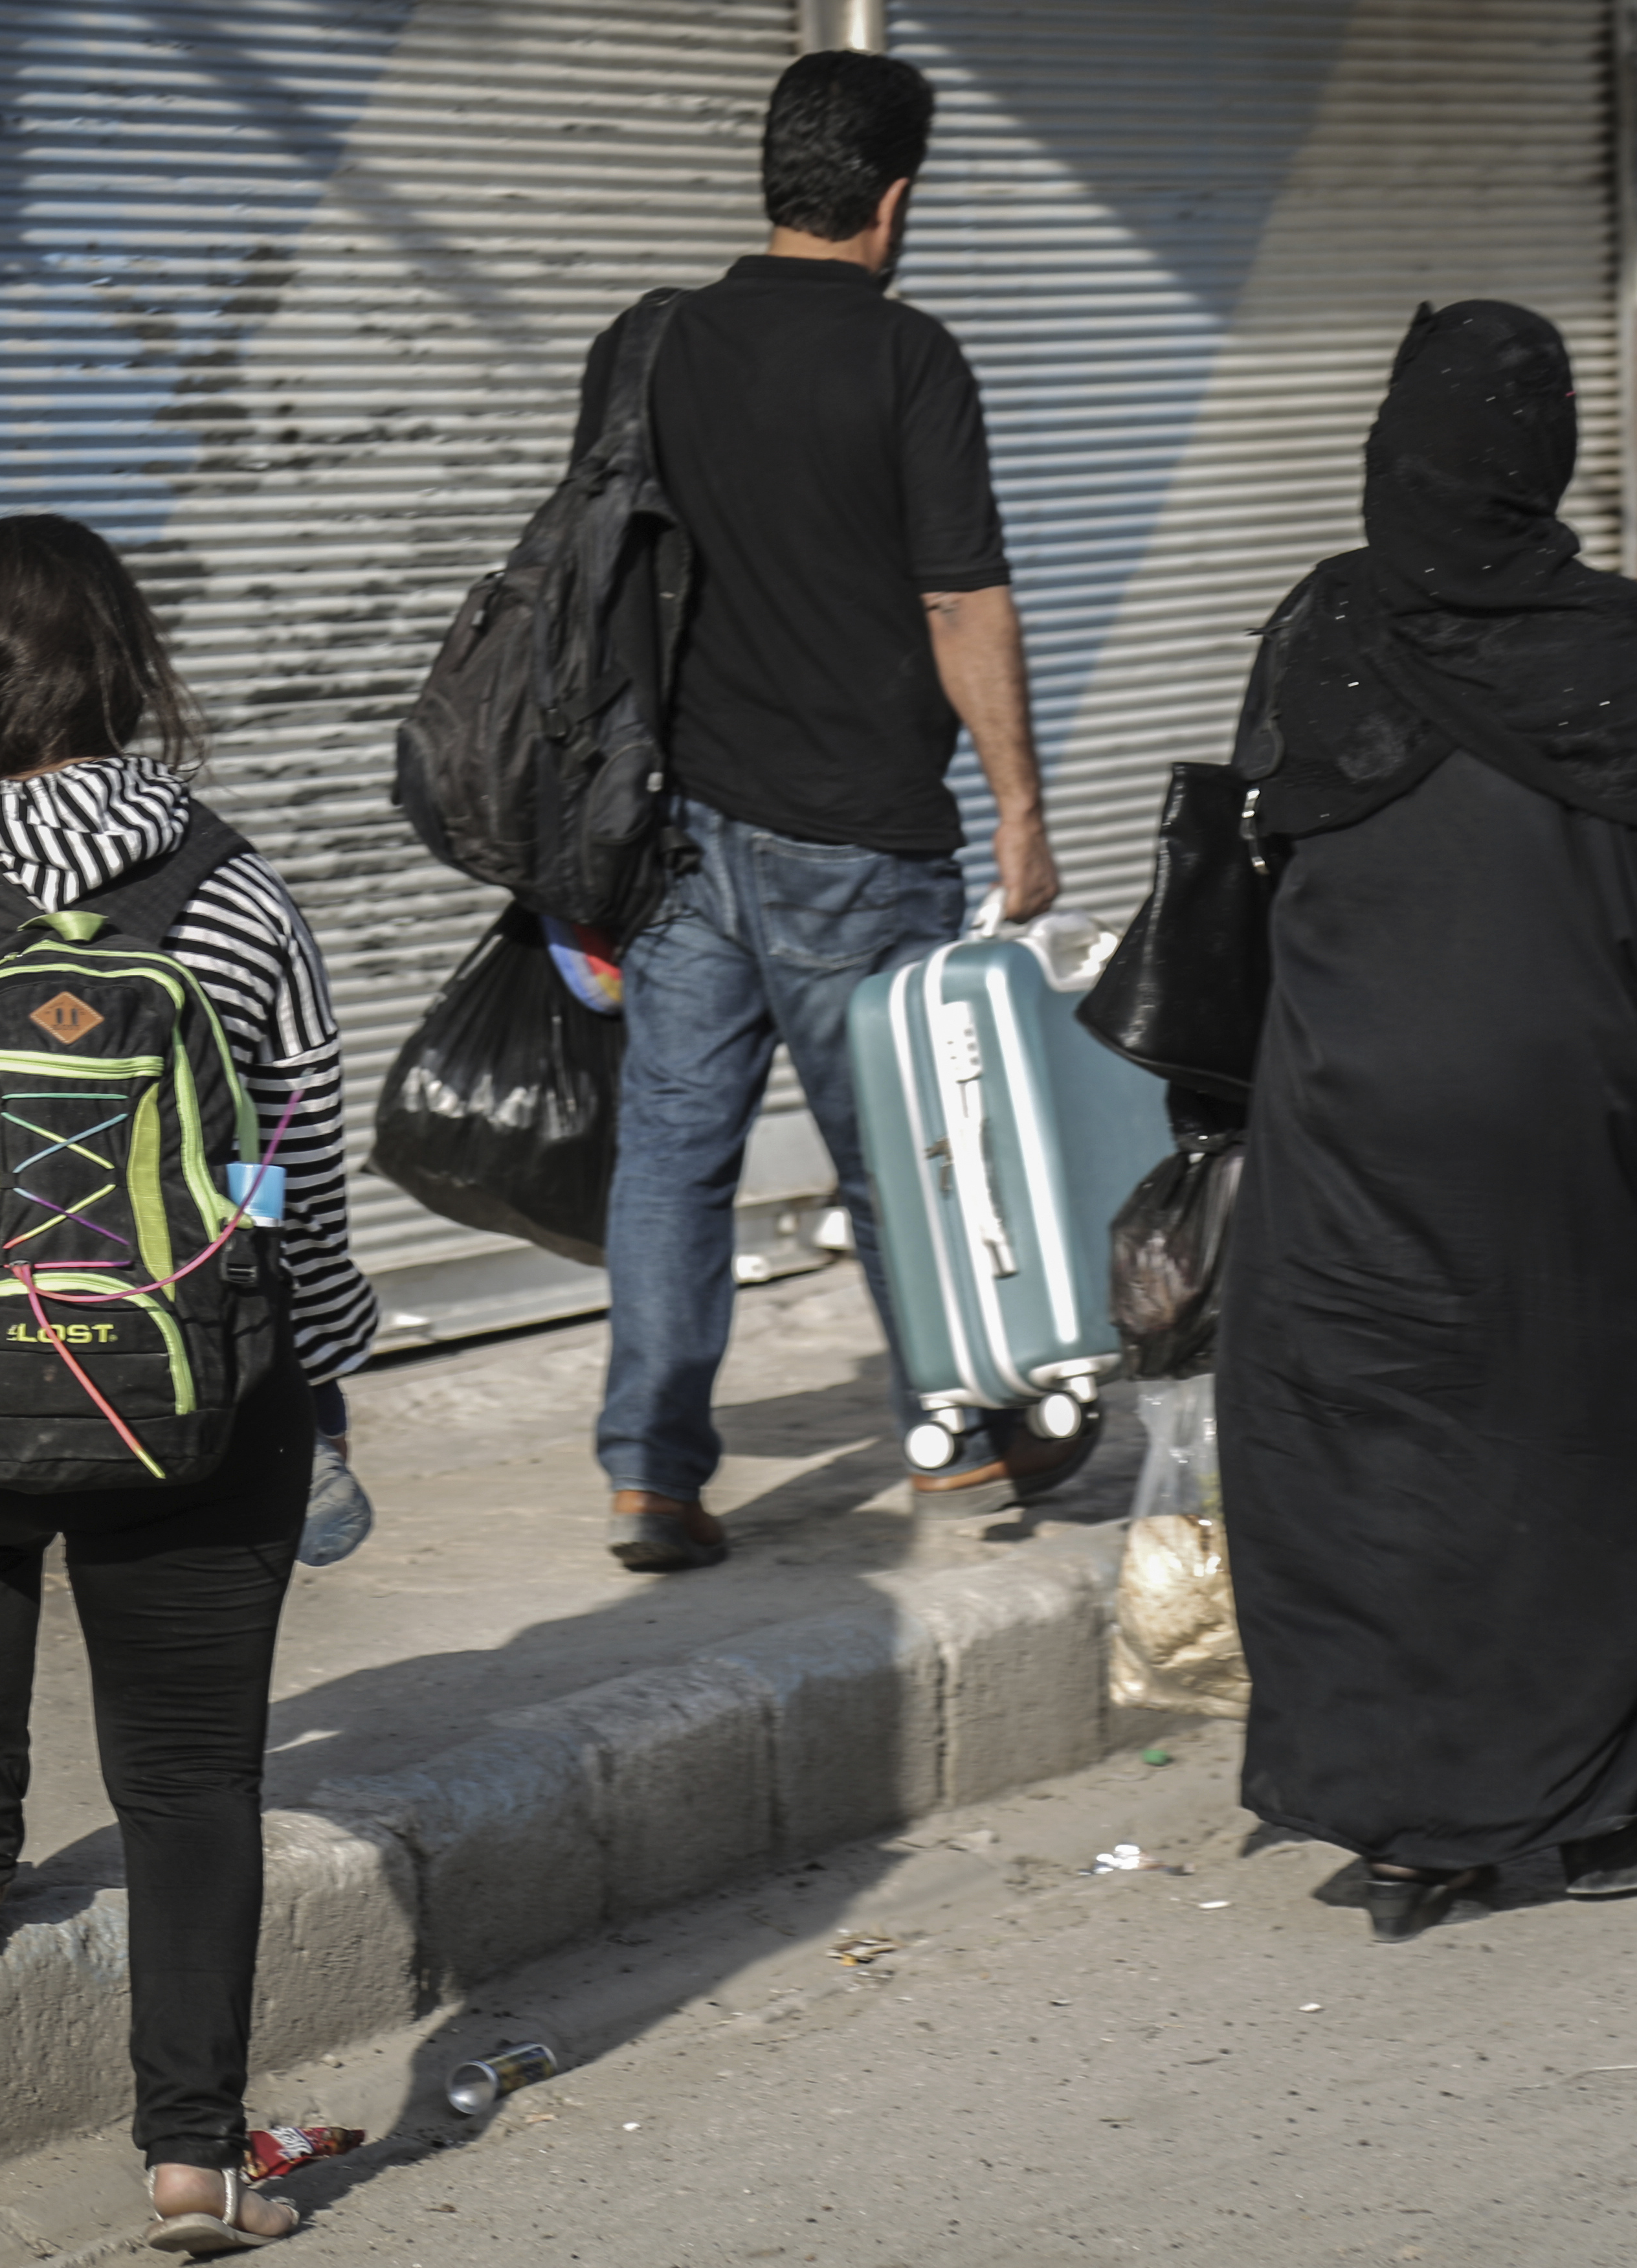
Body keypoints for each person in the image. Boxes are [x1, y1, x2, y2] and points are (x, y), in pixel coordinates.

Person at [1214, 302, 1637, 1944]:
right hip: (1564, 1129)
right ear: (1545, 455)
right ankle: (1593, 1814)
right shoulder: (1614, 650)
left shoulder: (1322, 629)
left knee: (1364, 1451)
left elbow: (1260, 872)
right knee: (1576, 1447)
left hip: (1346, 1117)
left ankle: (1401, 1814)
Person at [0, 513, 378, 2248]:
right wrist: (317, 1356)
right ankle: (191, 2155)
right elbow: (296, 1163)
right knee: (191, 1774)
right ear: (127, 671)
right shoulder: (239, 889)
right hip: (196, 1400)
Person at [574, 49, 1085, 1575]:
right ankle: (959, 1432)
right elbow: (959, 596)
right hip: (858, 841)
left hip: (679, 834)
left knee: (673, 1154)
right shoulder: (907, 361)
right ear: (897, 196)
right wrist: (1020, 806)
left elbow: (595, 584)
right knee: (912, 1156)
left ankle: (652, 1478)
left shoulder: (651, 344)